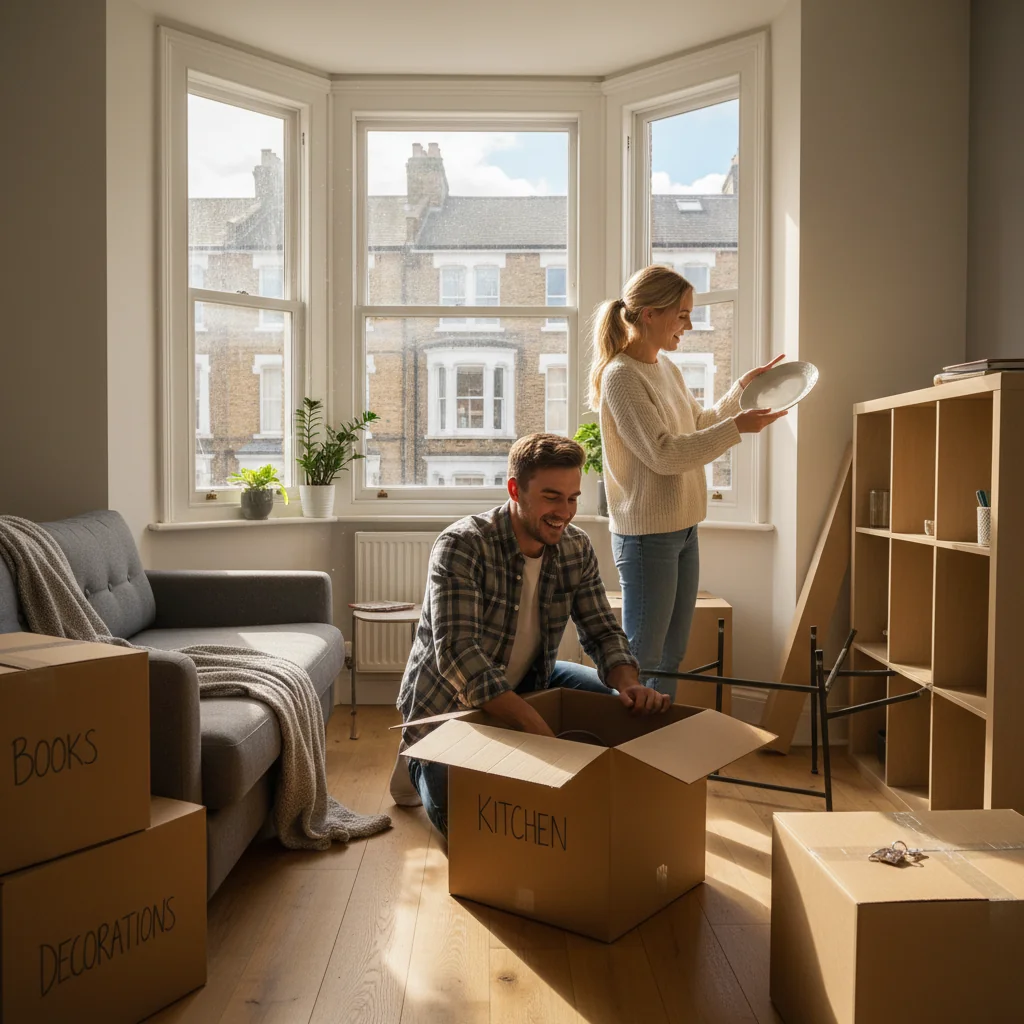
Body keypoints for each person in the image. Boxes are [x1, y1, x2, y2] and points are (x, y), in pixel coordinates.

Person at [391, 433, 670, 838]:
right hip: (448, 708)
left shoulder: (576, 547)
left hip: (533, 679)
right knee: (473, 824)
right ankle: (414, 761)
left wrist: (629, 684)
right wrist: (538, 731)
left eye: (573, 498)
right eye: (552, 497)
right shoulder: (462, 545)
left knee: (617, 707)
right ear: (514, 490)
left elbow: (601, 628)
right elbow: (457, 655)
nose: (565, 512)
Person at [591, 265, 786, 700]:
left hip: (682, 528)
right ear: (649, 315)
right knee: (640, 660)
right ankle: (624, 753)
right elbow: (664, 454)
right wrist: (738, 428)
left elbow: (697, 424)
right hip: (646, 537)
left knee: (671, 656)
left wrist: (742, 390)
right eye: (681, 314)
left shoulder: (665, 368)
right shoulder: (620, 376)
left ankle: (655, 750)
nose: (689, 324)